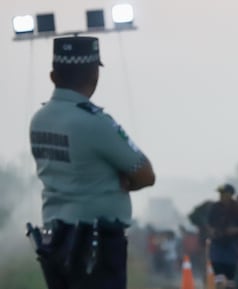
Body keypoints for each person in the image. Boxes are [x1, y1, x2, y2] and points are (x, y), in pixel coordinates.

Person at [28, 36, 155, 289]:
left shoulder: (39, 120)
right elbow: (145, 174)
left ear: (53, 76)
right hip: (96, 244)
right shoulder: (94, 122)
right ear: (94, 75)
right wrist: (121, 180)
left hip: (54, 240)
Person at [207, 184, 238, 288]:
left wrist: (234, 231)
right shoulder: (215, 207)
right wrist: (213, 231)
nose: (221, 196)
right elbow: (209, 224)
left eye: (224, 193)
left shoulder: (237, 209)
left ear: (230, 194)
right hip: (217, 245)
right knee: (218, 276)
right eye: (221, 194)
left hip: (232, 247)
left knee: (230, 279)